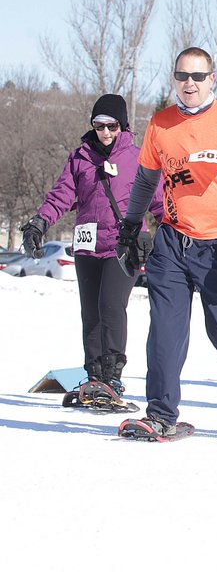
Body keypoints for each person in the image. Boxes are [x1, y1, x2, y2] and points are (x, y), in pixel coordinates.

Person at [116, 46, 217, 440]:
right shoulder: (161, 124)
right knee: (165, 331)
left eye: (198, 77)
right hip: (172, 240)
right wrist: (131, 227)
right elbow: (144, 182)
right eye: (183, 76)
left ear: (212, 79)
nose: (190, 83)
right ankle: (160, 413)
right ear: (174, 79)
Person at [20, 94, 162, 410]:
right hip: (87, 246)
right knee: (91, 314)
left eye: (111, 125)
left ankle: (112, 376)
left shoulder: (139, 158)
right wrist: (39, 223)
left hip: (122, 246)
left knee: (111, 305)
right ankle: (94, 376)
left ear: (122, 125)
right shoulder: (80, 158)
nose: (105, 132)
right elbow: (60, 197)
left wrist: (167, 235)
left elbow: (160, 203)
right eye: (99, 126)